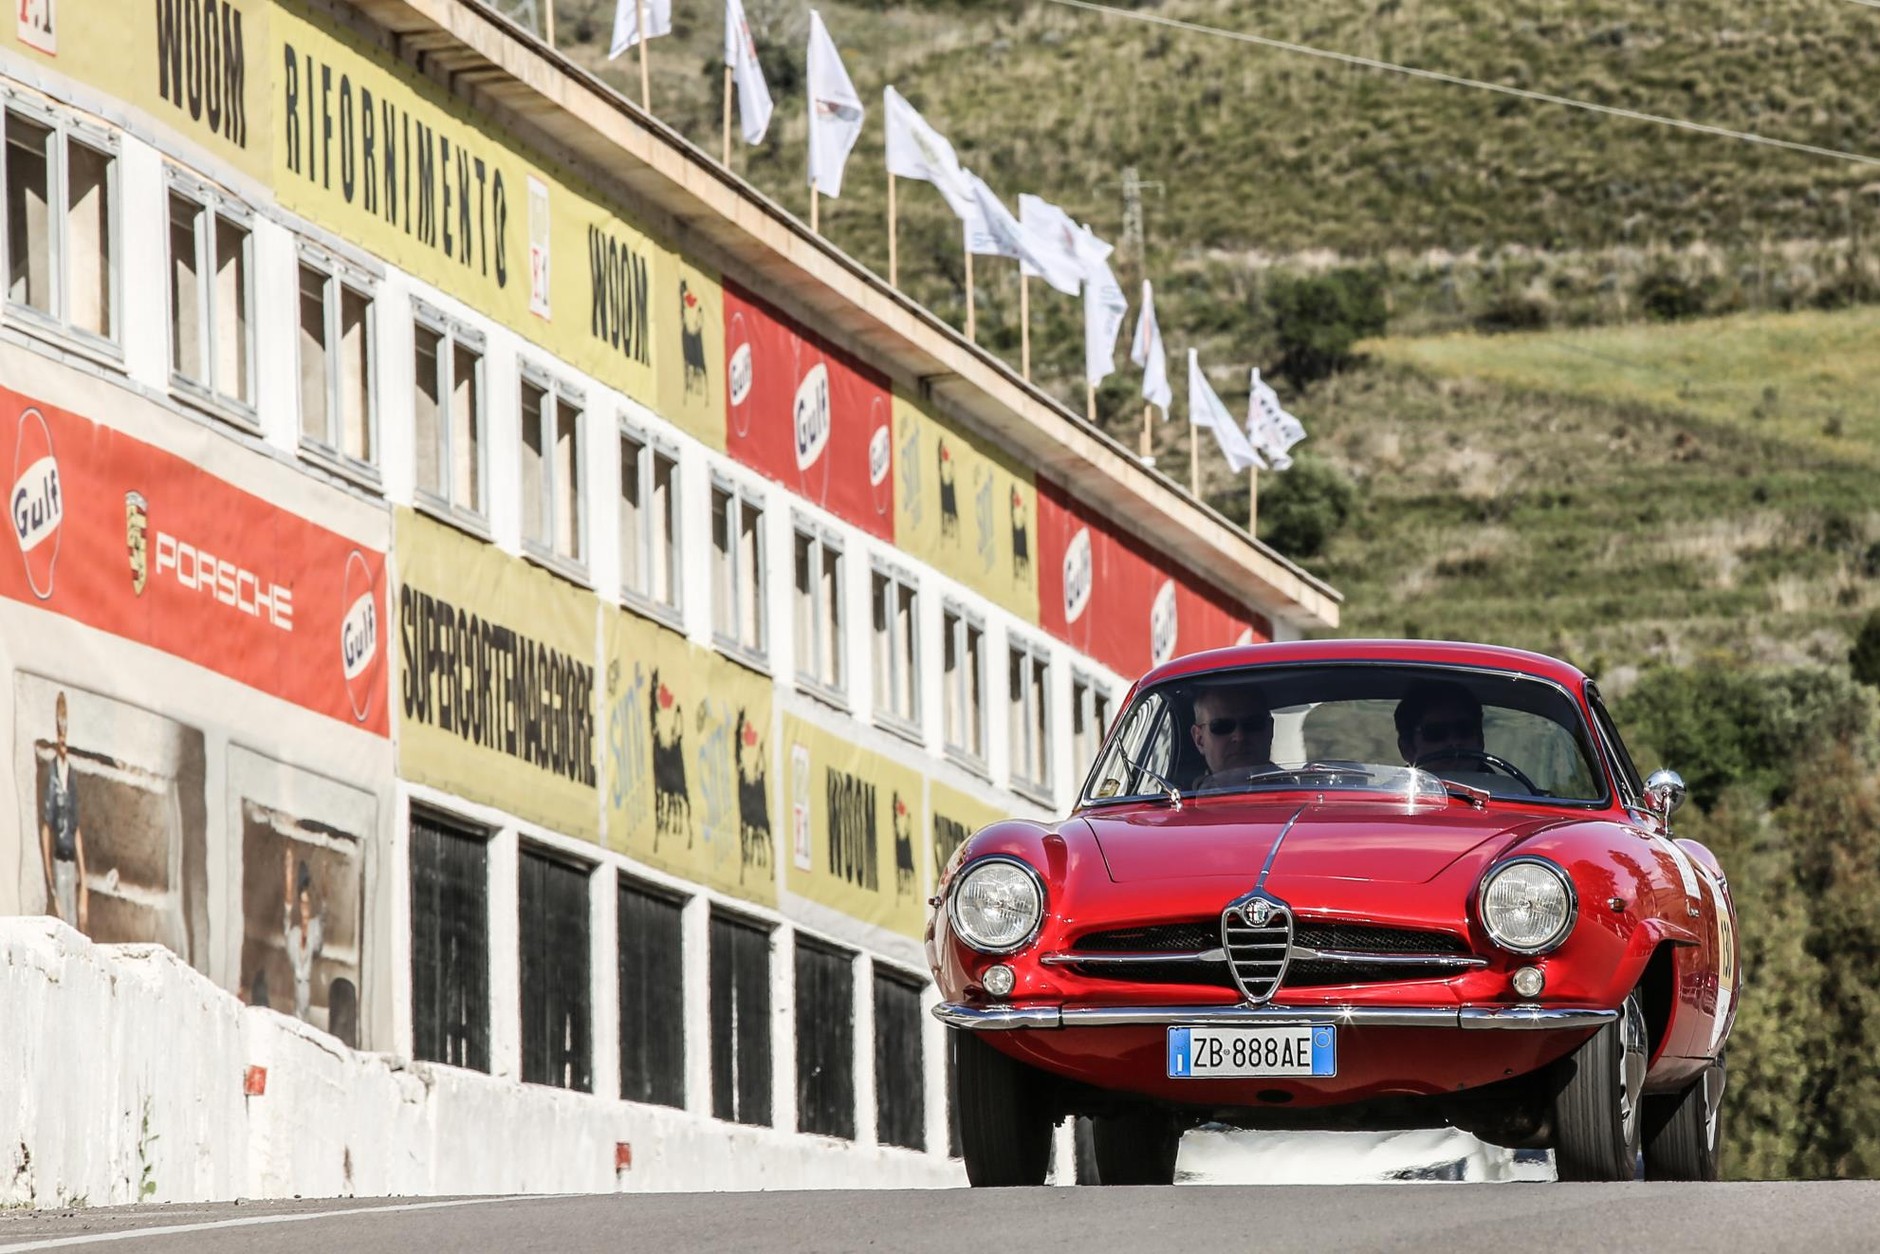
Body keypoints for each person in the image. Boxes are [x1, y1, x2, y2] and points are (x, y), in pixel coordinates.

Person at [40, 692, 89, 934]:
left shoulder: (72, 775)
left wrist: (85, 883)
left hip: (70, 861)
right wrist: (51, 885)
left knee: (75, 924)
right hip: (59, 860)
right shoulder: (52, 774)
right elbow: (47, 828)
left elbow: (76, 826)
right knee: (63, 924)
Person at [1189, 682, 1276, 789]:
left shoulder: (1300, 795)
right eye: (1222, 726)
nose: (1239, 737)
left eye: (1253, 724)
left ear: (1270, 730)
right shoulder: (1177, 802)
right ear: (1199, 739)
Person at [1394, 680, 1486, 773]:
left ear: (1480, 740)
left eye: (1465, 729)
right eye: (1436, 732)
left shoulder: (1500, 786)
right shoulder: (1389, 788)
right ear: (1407, 749)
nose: (1454, 742)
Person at [284, 850, 325, 1023]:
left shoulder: (315, 930)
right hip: (296, 988)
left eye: (307, 905)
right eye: (302, 905)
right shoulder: (293, 935)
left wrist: (324, 873)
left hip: (307, 987)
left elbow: (325, 909)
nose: (305, 910)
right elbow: (287, 907)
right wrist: (288, 871)